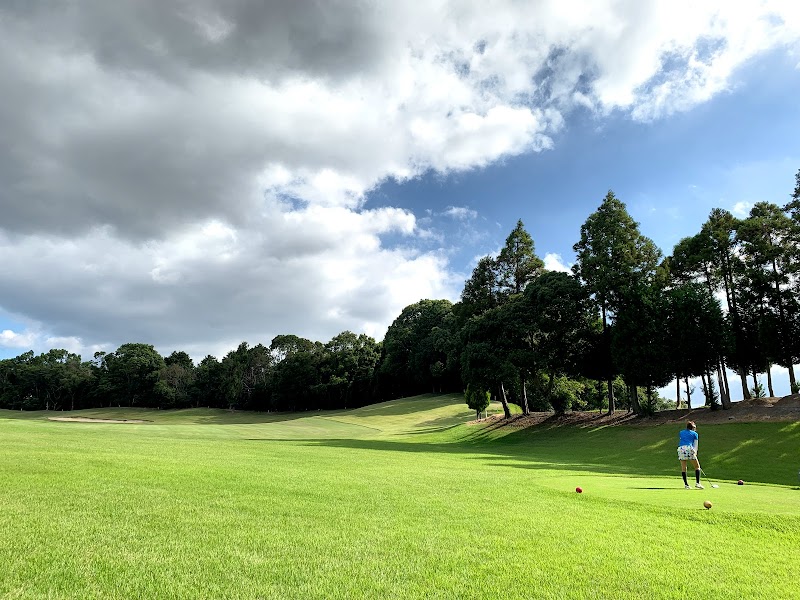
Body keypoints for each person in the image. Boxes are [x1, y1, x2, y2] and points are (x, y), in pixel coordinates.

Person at [677, 421, 703, 489]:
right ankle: (698, 483)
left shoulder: (681, 432)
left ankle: (686, 485)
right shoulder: (695, 434)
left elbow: (682, 440)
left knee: (683, 467)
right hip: (689, 448)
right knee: (697, 466)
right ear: (693, 427)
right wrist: (695, 452)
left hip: (681, 448)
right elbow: (695, 444)